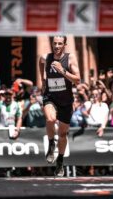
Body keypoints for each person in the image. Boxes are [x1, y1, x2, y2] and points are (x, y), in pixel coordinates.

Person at [39, 35, 80, 177]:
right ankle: (51, 144)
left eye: (59, 44)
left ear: (64, 45)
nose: (56, 46)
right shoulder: (46, 57)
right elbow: (40, 61)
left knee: (62, 134)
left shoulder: (69, 58)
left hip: (66, 101)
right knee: (50, 119)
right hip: (50, 97)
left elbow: (78, 79)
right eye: (54, 43)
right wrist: (43, 80)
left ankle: (60, 161)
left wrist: (62, 70)